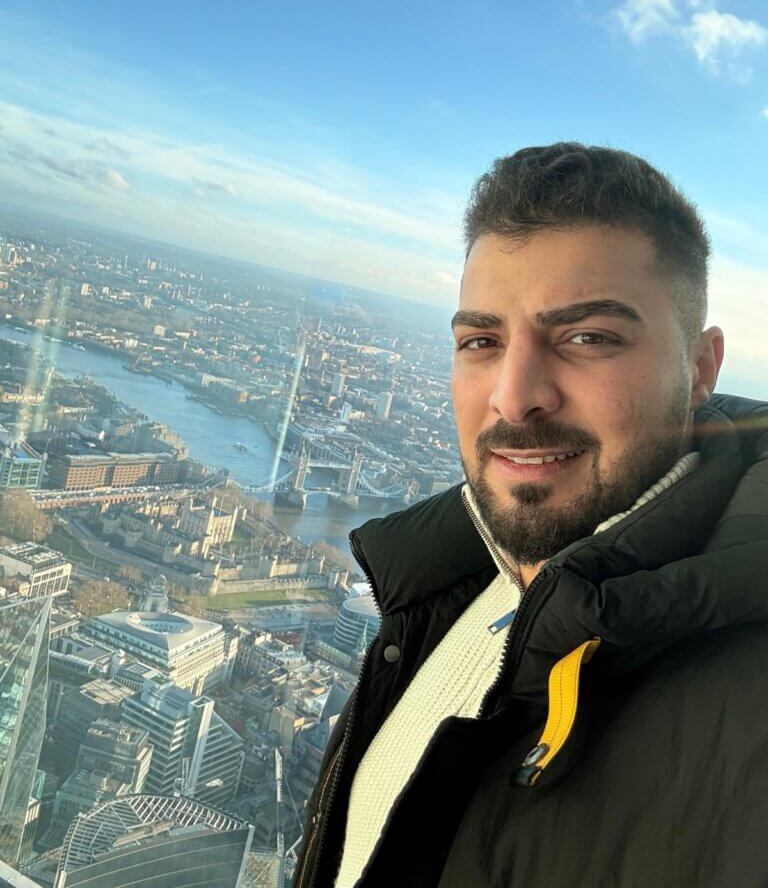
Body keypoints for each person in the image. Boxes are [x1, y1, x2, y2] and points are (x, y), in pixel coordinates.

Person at [292, 143, 768, 888]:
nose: (514, 397)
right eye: (481, 341)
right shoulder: (444, 587)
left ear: (700, 368)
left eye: (587, 338)